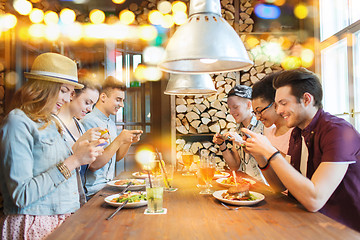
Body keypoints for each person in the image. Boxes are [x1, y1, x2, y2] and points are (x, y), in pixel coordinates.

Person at [241, 68, 360, 231]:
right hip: (305, 222)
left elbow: (314, 200)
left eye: (283, 103)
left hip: (341, 230)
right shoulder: (297, 132)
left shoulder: (338, 131)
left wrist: (270, 152)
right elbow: (281, 187)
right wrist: (260, 155)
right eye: (277, 105)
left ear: (306, 99)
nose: (279, 111)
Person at [0, 53, 104, 239]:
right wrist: (74, 160)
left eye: (70, 92)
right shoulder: (17, 122)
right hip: (34, 224)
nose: (67, 99)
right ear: (43, 88)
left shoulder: (51, 122)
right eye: (63, 90)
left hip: (64, 219)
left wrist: (80, 152)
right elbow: (21, 195)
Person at [81, 76, 143, 197]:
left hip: (107, 187)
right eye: (118, 100)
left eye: (122, 100)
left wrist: (127, 141)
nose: (122, 105)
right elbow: (93, 165)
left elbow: (116, 157)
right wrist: (119, 139)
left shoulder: (111, 123)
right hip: (93, 192)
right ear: (103, 97)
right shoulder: (89, 121)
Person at [53, 74, 108, 197]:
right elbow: (54, 166)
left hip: (78, 195)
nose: (89, 109)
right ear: (72, 95)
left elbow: (84, 166)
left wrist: (96, 147)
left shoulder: (79, 125)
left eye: (92, 105)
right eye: (87, 103)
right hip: (59, 196)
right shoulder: (53, 124)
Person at [212, 85, 265, 182]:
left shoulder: (263, 126)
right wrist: (221, 144)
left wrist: (241, 142)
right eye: (230, 108)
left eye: (235, 107)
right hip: (247, 184)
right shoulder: (238, 130)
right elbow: (234, 166)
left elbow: (267, 157)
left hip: (263, 187)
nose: (231, 112)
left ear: (249, 105)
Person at [251, 72, 293, 157]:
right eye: (255, 113)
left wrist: (267, 149)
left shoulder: (295, 133)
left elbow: (294, 167)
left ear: (275, 104)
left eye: (260, 111)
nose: (258, 117)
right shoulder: (270, 134)